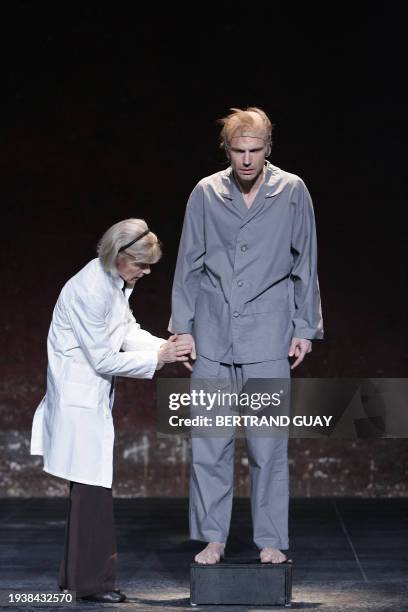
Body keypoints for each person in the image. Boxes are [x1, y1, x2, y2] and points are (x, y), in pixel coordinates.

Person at [170, 107, 323, 565]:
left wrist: (305, 327)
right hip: (213, 333)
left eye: (256, 151)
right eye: (239, 151)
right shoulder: (205, 193)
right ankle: (212, 536)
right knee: (209, 443)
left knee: (268, 445)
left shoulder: (292, 191)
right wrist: (182, 328)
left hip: (269, 334)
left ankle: (270, 538)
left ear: (269, 148)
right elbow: (188, 263)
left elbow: (306, 262)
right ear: (227, 150)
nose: (247, 160)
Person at [30, 218, 191, 603]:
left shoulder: (114, 284)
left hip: (88, 399)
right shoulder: (90, 290)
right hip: (78, 401)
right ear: (119, 257)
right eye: (141, 264)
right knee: (93, 493)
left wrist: (167, 349)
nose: (147, 271)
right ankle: (93, 584)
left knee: (90, 490)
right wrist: (160, 358)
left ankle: (76, 580)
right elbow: (103, 358)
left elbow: (126, 331)